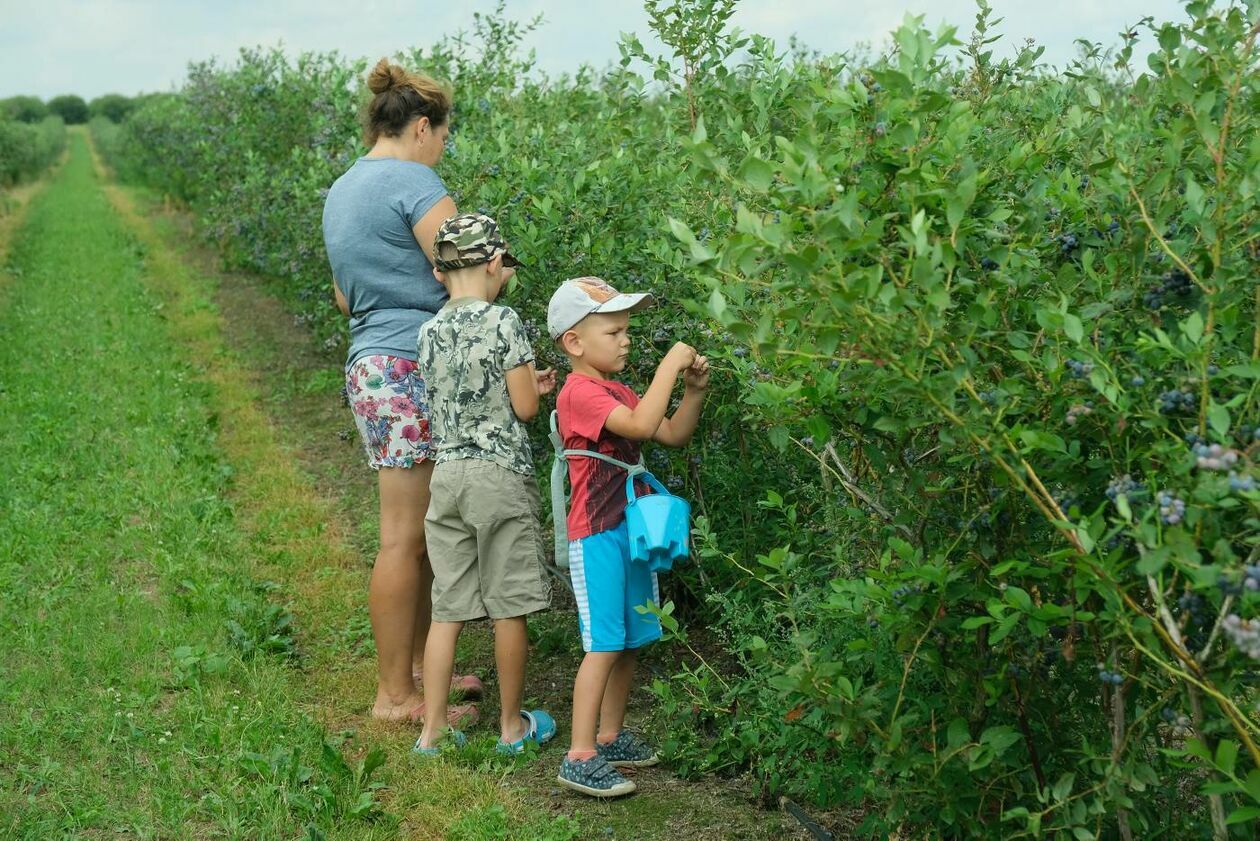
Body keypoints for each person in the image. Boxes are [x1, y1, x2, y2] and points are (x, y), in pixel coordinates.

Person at [321, 58, 482, 724]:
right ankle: (394, 696)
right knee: (402, 537)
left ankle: (419, 669)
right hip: (411, 364)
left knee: (415, 534)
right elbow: (463, 280)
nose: (442, 150)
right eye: (442, 136)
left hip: (371, 362)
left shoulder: (342, 190)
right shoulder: (417, 182)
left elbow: (343, 294)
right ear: (422, 127)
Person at [547, 277, 709, 796]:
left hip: (630, 529)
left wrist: (692, 392)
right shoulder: (579, 393)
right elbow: (641, 426)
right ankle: (579, 753)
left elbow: (672, 434)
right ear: (574, 342)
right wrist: (670, 364)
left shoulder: (616, 390)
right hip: (596, 535)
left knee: (633, 639)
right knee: (603, 643)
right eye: (614, 331)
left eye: (627, 330)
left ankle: (611, 735)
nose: (626, 340)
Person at [413, 213, 557, 755]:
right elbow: (521, 407)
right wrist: (533, 390)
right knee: (507, 604)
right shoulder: (505, 322)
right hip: (498, 477)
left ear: (437, 273)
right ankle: (511, 728)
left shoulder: (427, 331)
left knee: (447, 606)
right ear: (495, 263)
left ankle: (431, 734)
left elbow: (451, 400)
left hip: (446, 477)